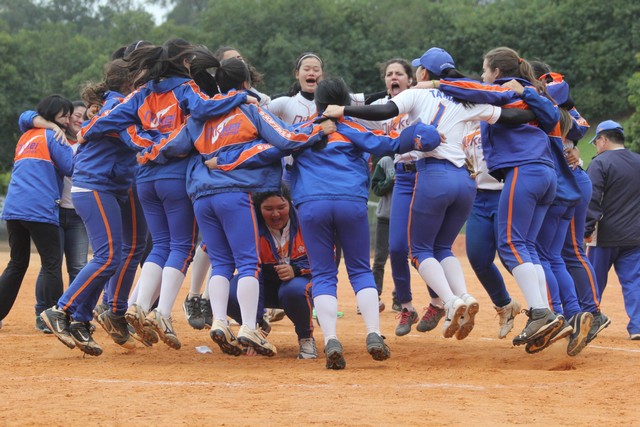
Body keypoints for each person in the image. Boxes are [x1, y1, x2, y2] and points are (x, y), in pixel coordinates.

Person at [323, 48, 542, 342]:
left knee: (419, 250)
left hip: (434, 175)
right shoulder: (467, 98)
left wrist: (344, 110)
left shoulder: (419, 93)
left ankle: (450, 302)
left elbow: (386, 110)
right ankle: (462, 295)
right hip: (465, 181)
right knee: (442, 248)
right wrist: (537, 105)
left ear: (424, 73)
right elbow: (513, 115)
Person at [137, 58, 332, 357]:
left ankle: (218, 322)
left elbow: (174, 145)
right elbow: (287, 137)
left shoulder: (200, 117)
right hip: (235, 193)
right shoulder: (249, 109)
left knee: (222, 262)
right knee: (247, 263)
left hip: (201, 195)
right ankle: (250, 326)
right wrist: (319, 129)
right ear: (246, 84)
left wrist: (147, 152)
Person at [80, 39, 252, 350]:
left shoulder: (142, 92)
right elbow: (206, 107)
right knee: (183, 248)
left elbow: (109, 120)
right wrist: (240, 97)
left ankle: (137, 306)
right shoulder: (186, 88)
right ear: (184, 61)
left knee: (159, 246)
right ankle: (161, 313)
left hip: (144, 178)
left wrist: (87, 130)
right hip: (174, 175)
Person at [294, 77, 442, 369]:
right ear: (345, 102)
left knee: (324, 275)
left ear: (317, 103)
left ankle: (331, 340)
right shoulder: (355, 128)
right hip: (350, 201)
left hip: (311, 204)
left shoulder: (302, 131)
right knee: (360, 270)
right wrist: (426, 133)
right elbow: (393, 144)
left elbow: (277, 147)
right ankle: (373, 334)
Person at [432, 47, 564, 351]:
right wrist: (528, 93)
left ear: (497, 74)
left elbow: (471, 88)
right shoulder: (529, 93)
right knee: (527, 247)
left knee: (510, 246)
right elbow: (551, 114)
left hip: (525, 172)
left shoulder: (506, 91)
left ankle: (541, 312)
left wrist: (436, 84)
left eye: (485, 69)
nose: (482, 75)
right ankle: (546, 314)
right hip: (545, 175)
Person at [40, 59, 146, 356]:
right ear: (130, 82)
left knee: (112, 255)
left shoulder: (118, 104)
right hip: (95, 186)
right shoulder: (120, 106)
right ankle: (60, 310)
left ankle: (82, 320)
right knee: (109, 255)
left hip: (105, 186)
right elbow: (135, 139)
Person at [0, 95, 74, 332]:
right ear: (52, 115)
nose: (68, 119)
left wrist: (51, 124)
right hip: (40, 209)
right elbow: (71, 168)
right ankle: (56, 317)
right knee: (52, 264)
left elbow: (26, 116)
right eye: (64, 114)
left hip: (13, 209)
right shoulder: (56, 137)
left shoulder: (26, 135)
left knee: (17, 262)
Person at [225, 189, 317, 359]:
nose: (276, 214)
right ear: (259, 210)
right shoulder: (251, 227)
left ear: (290, 204)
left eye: (281, 207)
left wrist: (296, 269)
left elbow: (326, 256)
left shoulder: (307, 220)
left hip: (299, 283)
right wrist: (253, 326)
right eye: (268, 209)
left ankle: (306, 338)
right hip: (264, 283)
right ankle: (256, 332)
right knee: (230, 293)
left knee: (293, 291)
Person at [585, 120, 640, 341]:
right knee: (634, 281)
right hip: (635, 236)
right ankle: (638, 326)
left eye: (596, 141)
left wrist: (586, 229)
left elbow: (592, 199)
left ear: (603, 139)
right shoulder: (638, 160)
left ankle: (588, 323)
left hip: (603, 236)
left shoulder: (600, 163)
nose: (596, 146)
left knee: (592, 282)